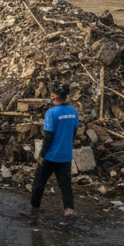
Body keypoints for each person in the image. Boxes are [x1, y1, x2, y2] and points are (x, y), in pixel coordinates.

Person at [20, 84, 79, 219]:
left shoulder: (51, 113)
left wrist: (42, 155)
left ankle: (34, 210)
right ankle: (69, 209)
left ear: (53, 96)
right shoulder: (73, 111)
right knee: (65, 184)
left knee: (39, 182)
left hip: (51, 156)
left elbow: (49, 137)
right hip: (66, 155)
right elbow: (74, 132)